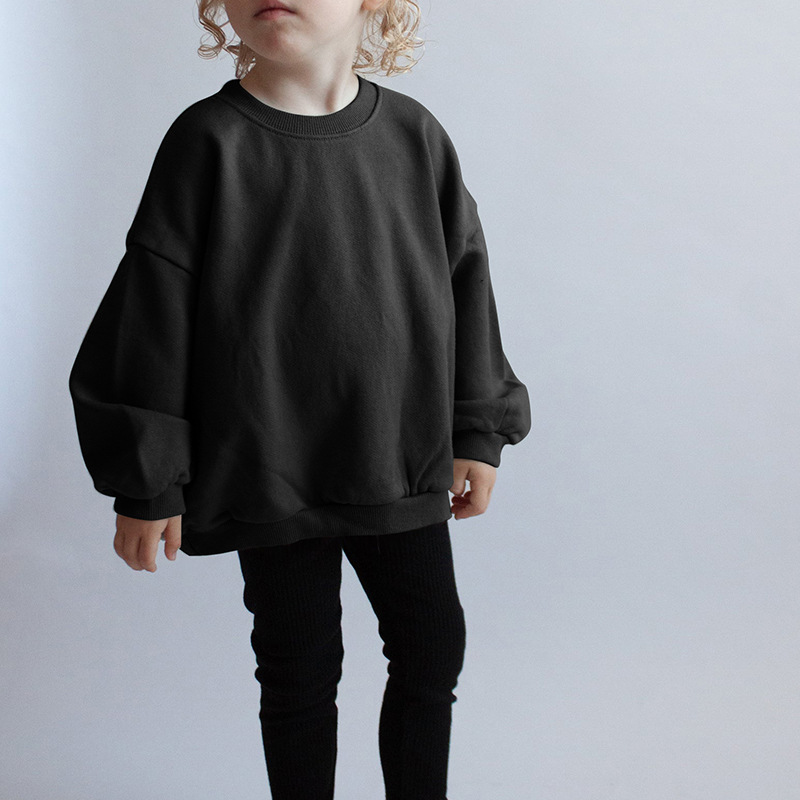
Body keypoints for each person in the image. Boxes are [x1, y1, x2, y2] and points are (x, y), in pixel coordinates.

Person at [68, 0, 531, 797]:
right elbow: (152, 310)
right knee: (298, 672)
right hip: (267, 472)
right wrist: (147, 480)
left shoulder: (415, 136)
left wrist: (477, 426)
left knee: (432, 652)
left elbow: (466, 281)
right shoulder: (207, 142)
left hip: (396, 462)